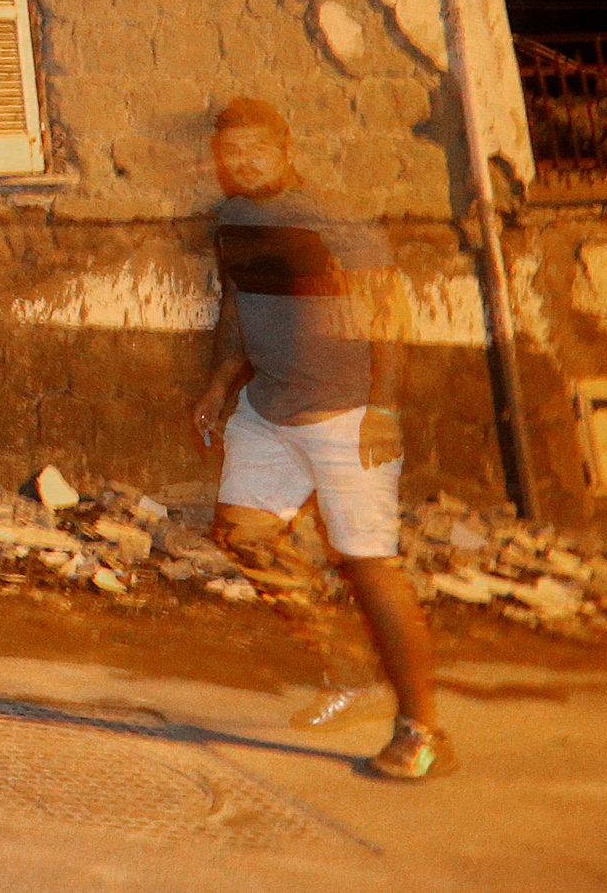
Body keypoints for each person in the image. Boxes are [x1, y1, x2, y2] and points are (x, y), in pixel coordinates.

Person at [190, 96, 455, 781]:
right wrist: (220, 384)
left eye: (257, 148)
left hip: (346, 413)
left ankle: (423, 730)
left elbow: (387, 317)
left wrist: (384, 409)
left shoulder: (334, 221)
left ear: (287, 148)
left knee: (368, 565)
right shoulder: (234, 219)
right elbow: (235, 304)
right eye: (231, 151)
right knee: (243, 534)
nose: (243, 161)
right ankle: (347, 671)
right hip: (270, 407)